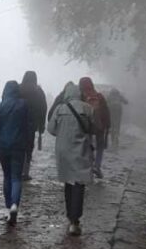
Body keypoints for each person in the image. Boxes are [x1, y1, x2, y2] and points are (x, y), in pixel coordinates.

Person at [47, 81, 94, 236]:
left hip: (63, 150)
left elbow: (51, 129)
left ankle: (70, 215)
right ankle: (75, 220)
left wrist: (63, 134)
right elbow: (94, 128)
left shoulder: (60, 109)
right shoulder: (87, 109)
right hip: (80, 149)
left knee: (68, 181)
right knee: (79, 183)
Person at [0, 80, 31, 223]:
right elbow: (27, 126)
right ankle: (14, 205)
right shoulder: (24, 105)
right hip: (19, 146)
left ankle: (8, 207)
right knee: (16, 177)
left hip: (2, 146)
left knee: (7, 176)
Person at [79, 76, 111, 179]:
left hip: (87, 126)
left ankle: (89, 165)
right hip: (99, 125)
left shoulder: (81, 97)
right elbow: (106, 111)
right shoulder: (99, 96)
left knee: (88, 145)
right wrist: (107, 125)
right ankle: (97, 166)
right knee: (100, 146)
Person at [19, 70, 47, 180]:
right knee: (28, 147)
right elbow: (43, 109)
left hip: (17, 122)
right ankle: (25, 172)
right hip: (32, 123)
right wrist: (41, 125)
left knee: (18, 146)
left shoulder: (18, 89)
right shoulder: (39, 91)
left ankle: (17, 168)